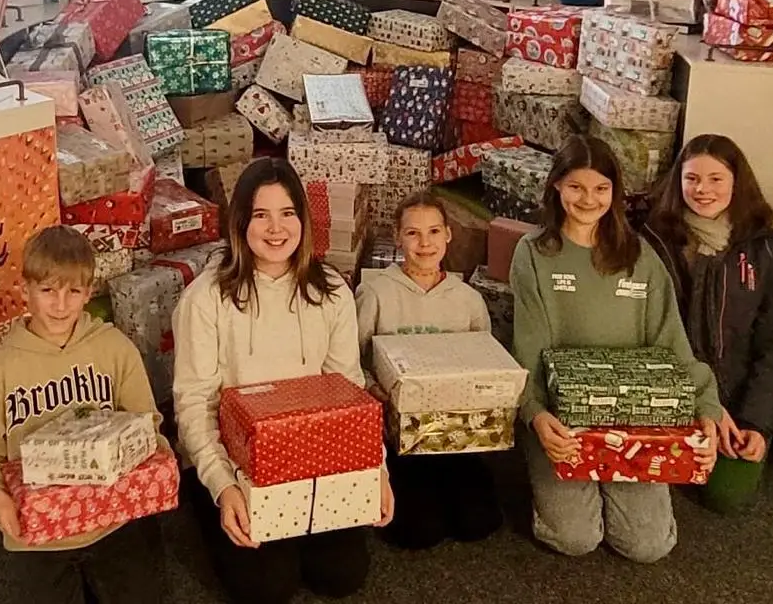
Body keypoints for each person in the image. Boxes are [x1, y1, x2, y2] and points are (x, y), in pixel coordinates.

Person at [173, 158, 392, 604]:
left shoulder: (330, 289)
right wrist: (223, 486)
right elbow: (195, 402)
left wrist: (377, 468)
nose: (276, 229)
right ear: (240, 221)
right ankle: (202, 509)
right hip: (236, 459)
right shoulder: (206, 298)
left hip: (311, 456)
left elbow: (348, 389)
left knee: (342, 576)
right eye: (260, 215)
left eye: (288, 213)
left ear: (303, 220)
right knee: (267, 587)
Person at [511, 136, 720, 563]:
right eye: (575, 187)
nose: (588, 199)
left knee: (648, 546)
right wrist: (535, 414)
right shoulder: (533, 253)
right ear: (555, 187)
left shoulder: (641, 256)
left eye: (600, 189)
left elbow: (671, 340)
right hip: (562, 415)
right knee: (575, 538)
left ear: (615, 193)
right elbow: (527, 344)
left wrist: (706, 407)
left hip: (637, 416)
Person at [0, 226, 169, 604]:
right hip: (39, 529)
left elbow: (146, 423)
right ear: (25, 291)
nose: (60, 304)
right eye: (48, 290)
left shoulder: (114, 348)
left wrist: (155, 462)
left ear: (89, 293)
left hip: (113, 517)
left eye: (73, 291)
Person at [643, 135, 773, 514]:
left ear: (736, 182)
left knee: (727, 496)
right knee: (662, 470)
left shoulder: (763, 247)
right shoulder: (652, 240)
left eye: (716, 179)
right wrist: (704, 402)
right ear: (678, 181)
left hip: (737, 391)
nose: (703, 190)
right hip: (675, 384)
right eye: (692, 178)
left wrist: (757, 421)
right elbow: (648, 332)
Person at [355, 192, 499, 550]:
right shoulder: (375, 293)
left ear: (448, 235)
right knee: (419, 531)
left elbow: (484, 362)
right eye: (413, 233)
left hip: (454, 430)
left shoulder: (468, 300)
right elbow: (353, 359)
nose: (424, 243)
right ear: (398, 237)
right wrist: (374, 389)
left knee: (478, 522)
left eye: (434, 232)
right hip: (397, 433)